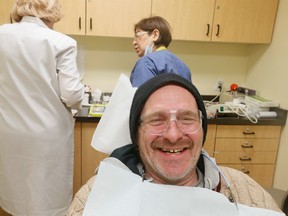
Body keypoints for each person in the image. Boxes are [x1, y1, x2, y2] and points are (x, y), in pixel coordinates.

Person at [67, 73, 281, 215]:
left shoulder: (246, 193)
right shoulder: (94, 199)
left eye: (187, 118)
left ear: (202, 127)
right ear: (136, 134)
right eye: (156, 119)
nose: (173, 134)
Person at [0, 0, 84, 215]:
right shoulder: (61, 42)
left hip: (9, 130)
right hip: (47, 134)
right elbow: (72, 94)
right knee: (46, 197)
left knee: (15, 190)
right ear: (51, 12)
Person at [130, 16, 192, 87]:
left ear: (155, 35)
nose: (134, 42)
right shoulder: (183, 67)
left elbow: (141, 97)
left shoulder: (147, 63)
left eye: (138, 35)